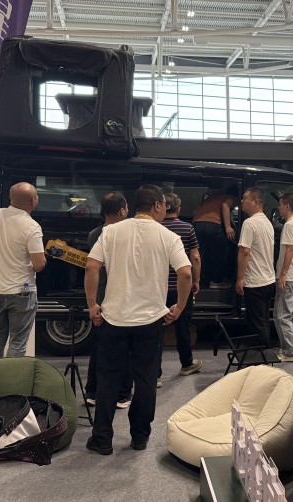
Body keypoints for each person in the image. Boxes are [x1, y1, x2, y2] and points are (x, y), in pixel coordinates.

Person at [84, 185, 191, 455]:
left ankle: (102, 438)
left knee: (108, 378)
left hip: (113, 318)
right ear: (156, 205)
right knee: (145, 379)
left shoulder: (110, 232)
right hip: (150, 321)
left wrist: (92, 304)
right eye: (164, 205)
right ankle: (140, 437)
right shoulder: (169, 236)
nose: (165, 209)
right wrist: (179, 307)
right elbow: (186, 273)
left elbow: (92, 266)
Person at [0, 182, 46, 357]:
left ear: (10, 197)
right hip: (22, 292)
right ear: (33, 201)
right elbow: (39, 264)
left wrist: (1, 254)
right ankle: (12, 375)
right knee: (18, 341)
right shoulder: (32, 226)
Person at [84, 192, 133, 409]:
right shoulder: (127, 234)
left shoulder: (94, 234)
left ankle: (93, 391)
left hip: (101, 294)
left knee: (99, 345)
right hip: (123, 294)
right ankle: (123, 394)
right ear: (122, 210)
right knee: (127, 346)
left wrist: (91, 303)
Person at [158, 192, 202, 383]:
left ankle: (155, 374)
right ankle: (186, 364)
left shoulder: (156, 228)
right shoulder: (187, 228)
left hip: (158, 287)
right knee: (183, 326)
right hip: (181, 286)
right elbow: (195, 257)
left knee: (157, 329)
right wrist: (196, 280)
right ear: (179, 209)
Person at [236, 187, 275, 347]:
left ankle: (260, 355)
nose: (242, 201)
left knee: (256, 324)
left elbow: (244, 251)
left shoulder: (249, 223)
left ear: (256, 202)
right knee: (263, 320)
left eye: (245, 198)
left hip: (255, 282)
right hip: (268, 280)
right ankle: (265, 351)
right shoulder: (267, 222)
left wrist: (240, 279)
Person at [273, 194, 293, 363]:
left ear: (287, 206)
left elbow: (290, 250)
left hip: (289, 276)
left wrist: (283, 274)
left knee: (281, 315)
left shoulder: (289, 225)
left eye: (280, 205)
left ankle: (290, 351)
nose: (278, 208)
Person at [192, 185, 238, 288]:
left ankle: (194, 280)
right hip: (212, 225)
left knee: (198, 254)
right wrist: (228, 227)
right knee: (219, 253)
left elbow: (196, 211)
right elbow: (225, 205)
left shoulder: (213, 196)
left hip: (197, 224)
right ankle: (215, 281)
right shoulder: (231, 197)